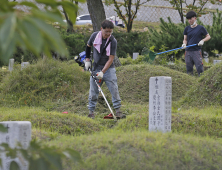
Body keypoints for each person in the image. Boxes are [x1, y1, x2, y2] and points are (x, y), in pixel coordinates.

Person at [84, 20, 126, 119]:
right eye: (106, 31)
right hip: (95, 68)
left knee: (114, 90)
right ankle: (91, 113)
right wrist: (87, 60)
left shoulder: (113, 41)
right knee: (93, 92)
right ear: (101, 29)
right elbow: (88, 46)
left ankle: (118, 111)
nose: (108, 34)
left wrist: (102, 72)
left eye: (110, 32)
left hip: (108, 69)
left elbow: (111, 59)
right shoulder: (94, 36)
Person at [182, 10, 211, 76]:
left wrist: (202, 40)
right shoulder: (187, 28)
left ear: (195, 18)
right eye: (188, 19)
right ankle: (190, 82)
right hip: (188, 51)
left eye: (191, 19)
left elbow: (208, 36)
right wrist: (184, 44)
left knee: (199, 68)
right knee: (189, 69)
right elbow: (185, 39)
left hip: (196, 51)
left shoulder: (200, 28)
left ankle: (201, 82)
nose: (189, 21)